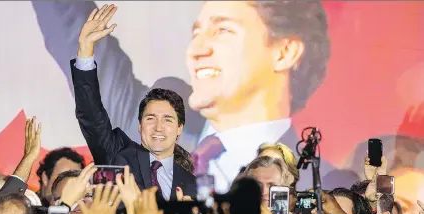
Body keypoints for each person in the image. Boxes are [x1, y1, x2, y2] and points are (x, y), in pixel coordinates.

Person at [34, 1, 358, 193]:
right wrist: (85, 51)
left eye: (223, 30)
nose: (195, 50)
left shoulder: (321, 184)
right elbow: (92, 111)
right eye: (195, 33)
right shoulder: (145, 141)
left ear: (285, 52)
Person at [71, 5, 196, 200]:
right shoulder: (119, 157)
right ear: (139, 125)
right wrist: (85, 52)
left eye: (168, 120)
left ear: (180, 128)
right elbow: (91, 115)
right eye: (151, 118)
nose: (158, 127)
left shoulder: (191, 184)